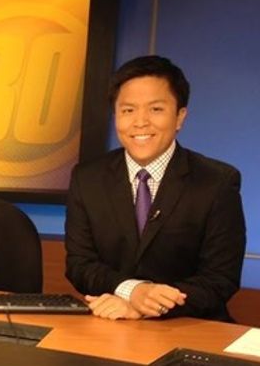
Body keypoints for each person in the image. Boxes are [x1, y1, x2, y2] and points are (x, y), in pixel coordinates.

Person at [65, 55, 246, 321]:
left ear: (180, 117)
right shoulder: (87, 178)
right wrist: (132, 291)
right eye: (128, 110)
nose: (140, 122)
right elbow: (80, 265)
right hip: (112, 325)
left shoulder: (217, 181)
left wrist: (146, 307)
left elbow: (220, 279)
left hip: (188, 326)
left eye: (156, 109)